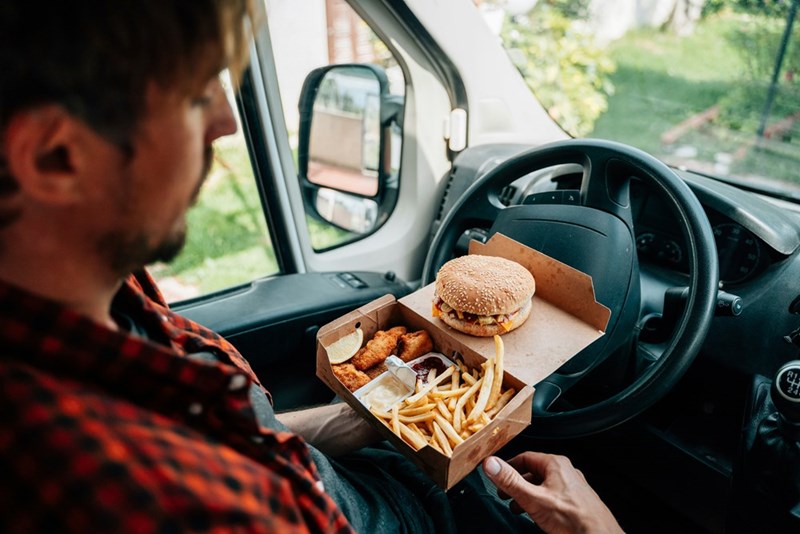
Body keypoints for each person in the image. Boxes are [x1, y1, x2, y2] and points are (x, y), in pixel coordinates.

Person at [0, 1, 621, 532]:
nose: (225, 120)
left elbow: (235, 432)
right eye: (196, 94)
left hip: (347, 471)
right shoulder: (161, 499)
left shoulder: (105, 292)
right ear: (56, 157)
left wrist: (352, 419)